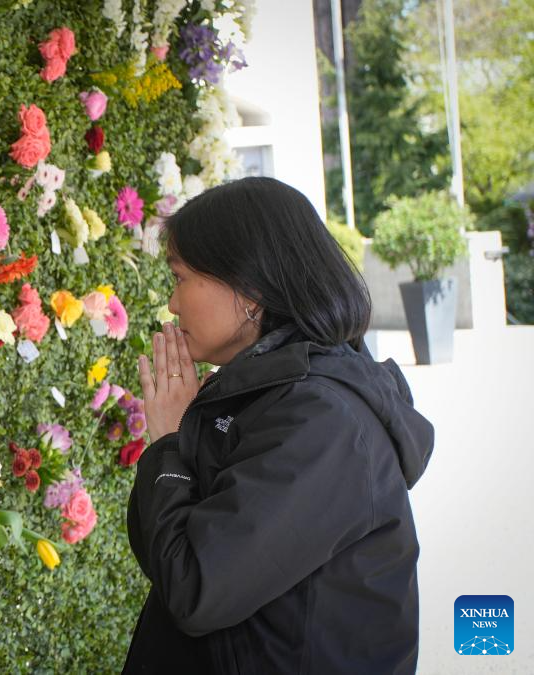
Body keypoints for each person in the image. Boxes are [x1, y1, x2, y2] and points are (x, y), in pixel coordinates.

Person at [124, 177, 434, 674]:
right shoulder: (262, 392)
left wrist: (170, 444)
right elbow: (167, 557)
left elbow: (194, 588)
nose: (173, 304)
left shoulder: (323, 420)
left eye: (179, 278)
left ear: (250, 289)